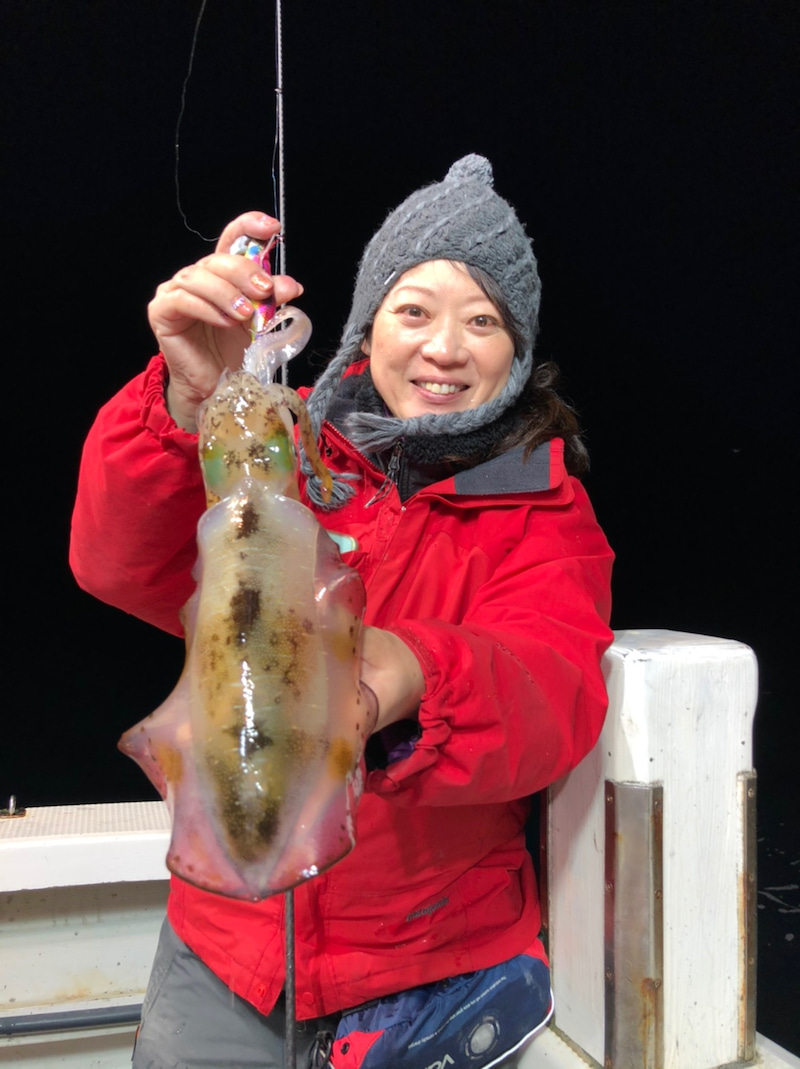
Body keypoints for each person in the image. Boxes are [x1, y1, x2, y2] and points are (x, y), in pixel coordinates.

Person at [70, 155, 614, 1069]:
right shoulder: (285, 452)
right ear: (368, 328)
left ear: (516, 352)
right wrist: (191, 401)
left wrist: (411, 673)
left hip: (426, 969)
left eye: (483, 321)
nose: (445, 347)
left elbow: (551, 692)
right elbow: (120, 563)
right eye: (415, 311)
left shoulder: (542, 507)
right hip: (227, 949)